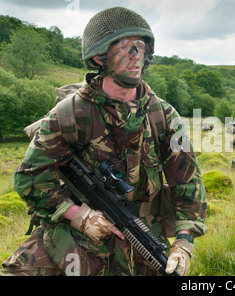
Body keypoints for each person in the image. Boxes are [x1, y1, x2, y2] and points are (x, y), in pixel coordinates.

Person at [0, 7, 207, 276]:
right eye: (124, 48)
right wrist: (77, 215)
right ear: (99, 58)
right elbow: (30, 177)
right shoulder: (69, 114)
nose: (136, 57)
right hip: (75, 236)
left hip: (143, 236)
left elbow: (188, 184)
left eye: (140, 47)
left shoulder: (163, 116)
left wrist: (183, 242)